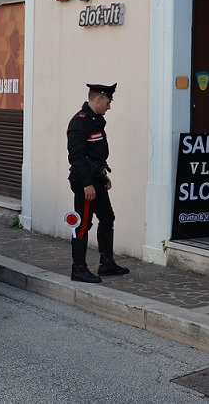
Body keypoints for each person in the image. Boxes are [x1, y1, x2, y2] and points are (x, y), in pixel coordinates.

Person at [66, 83, 129, 283]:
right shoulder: (80, 122)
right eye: (108, 102)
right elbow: (76, 157)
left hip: (97, 179)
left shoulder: (97, 121)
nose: (109, 107)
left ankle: (107, 263)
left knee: (107, 217)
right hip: (85, 183)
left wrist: (103, 175)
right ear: (98, 99)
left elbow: (96, 154)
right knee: (83, 224)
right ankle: (78, 269)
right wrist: (87, 184)